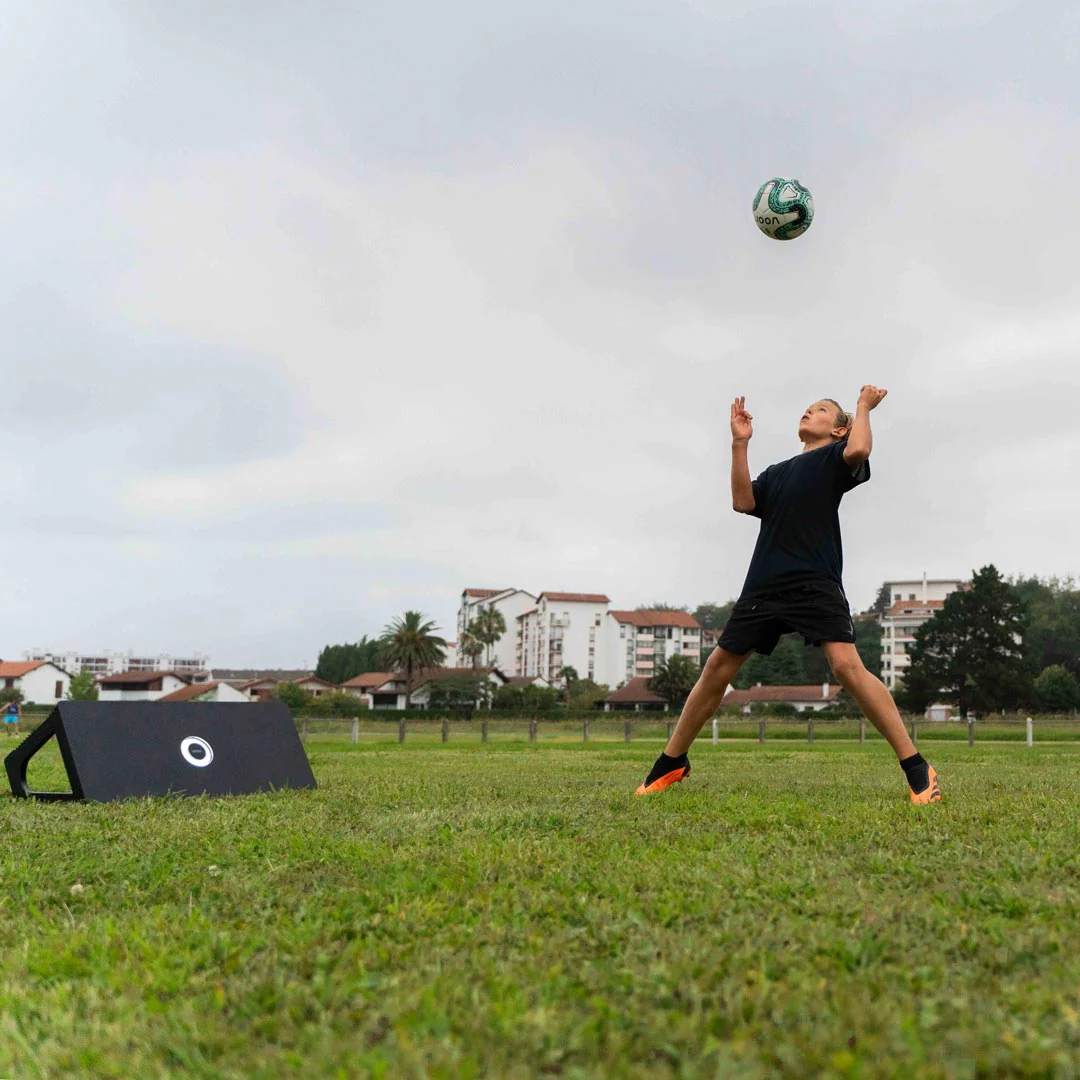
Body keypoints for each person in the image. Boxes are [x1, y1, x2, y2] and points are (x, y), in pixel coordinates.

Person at [635, 387, 941, 804]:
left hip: (815, 580)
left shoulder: (836, 458)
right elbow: (742, 501)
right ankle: (672, 761)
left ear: (838, 430)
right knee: (717, 667)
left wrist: (863, 408)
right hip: (764, 584)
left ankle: (917, 767)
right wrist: (739, 444)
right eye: (808, 408)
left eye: (821, 410)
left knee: (846, 667)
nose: (809, 411)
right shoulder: (777, 472)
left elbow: (860, 449)